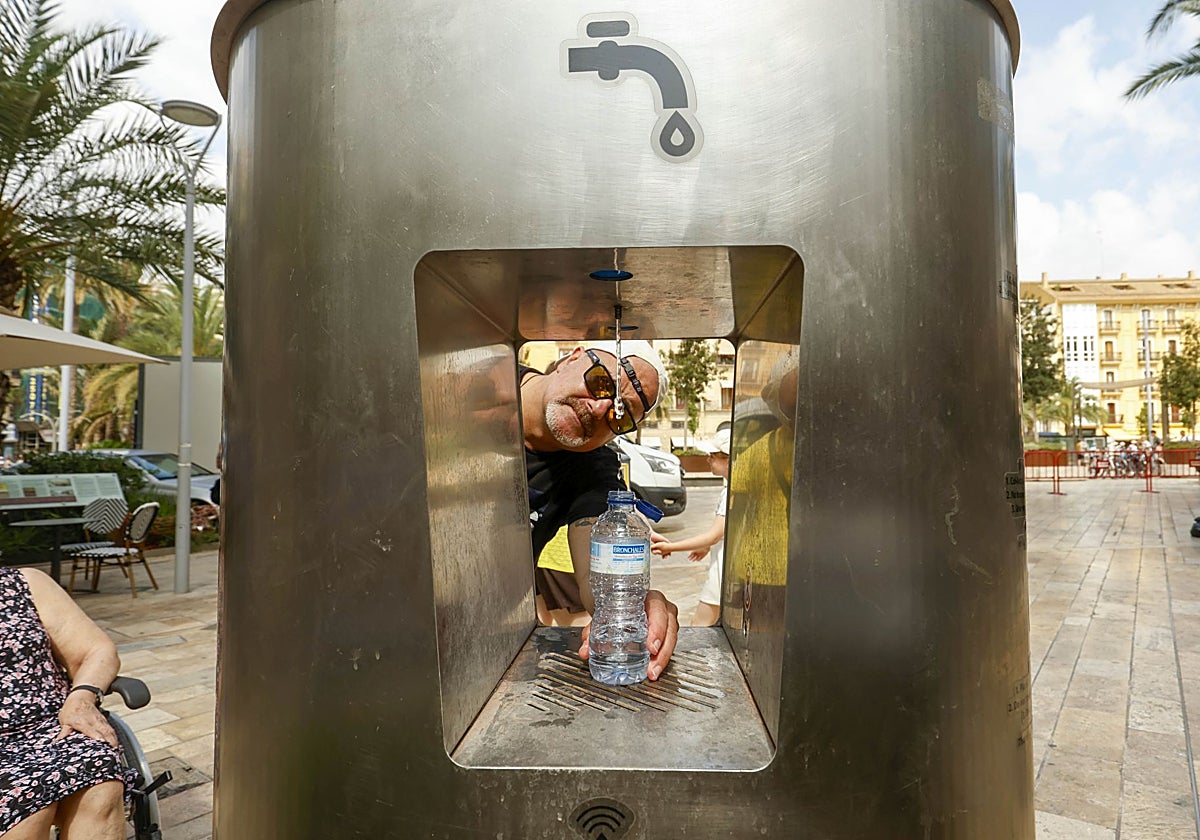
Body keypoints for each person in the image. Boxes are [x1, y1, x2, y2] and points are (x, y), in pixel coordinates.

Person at [521, 340, 680, 681]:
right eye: (601, 382)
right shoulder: (472, 387)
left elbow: (598, 574)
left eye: (619, 417)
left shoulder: (591, 469)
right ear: (572, 357)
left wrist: (634, 605)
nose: (598, 409)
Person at [0, 567, 134, 838]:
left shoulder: (23, 583)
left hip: (55, 724)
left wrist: (81, 698)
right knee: (25, 815)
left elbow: (95, 649)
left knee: (100, 783)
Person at [651, 428, 730, 627]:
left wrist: (671, 547)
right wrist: (707, 546)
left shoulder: (730, 492)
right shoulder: (735, 489)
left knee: (699, 625)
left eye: (713, 456)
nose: (708, 460)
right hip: (727, 568)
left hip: (723, 571)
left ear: (729, 460)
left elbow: (714, 535)